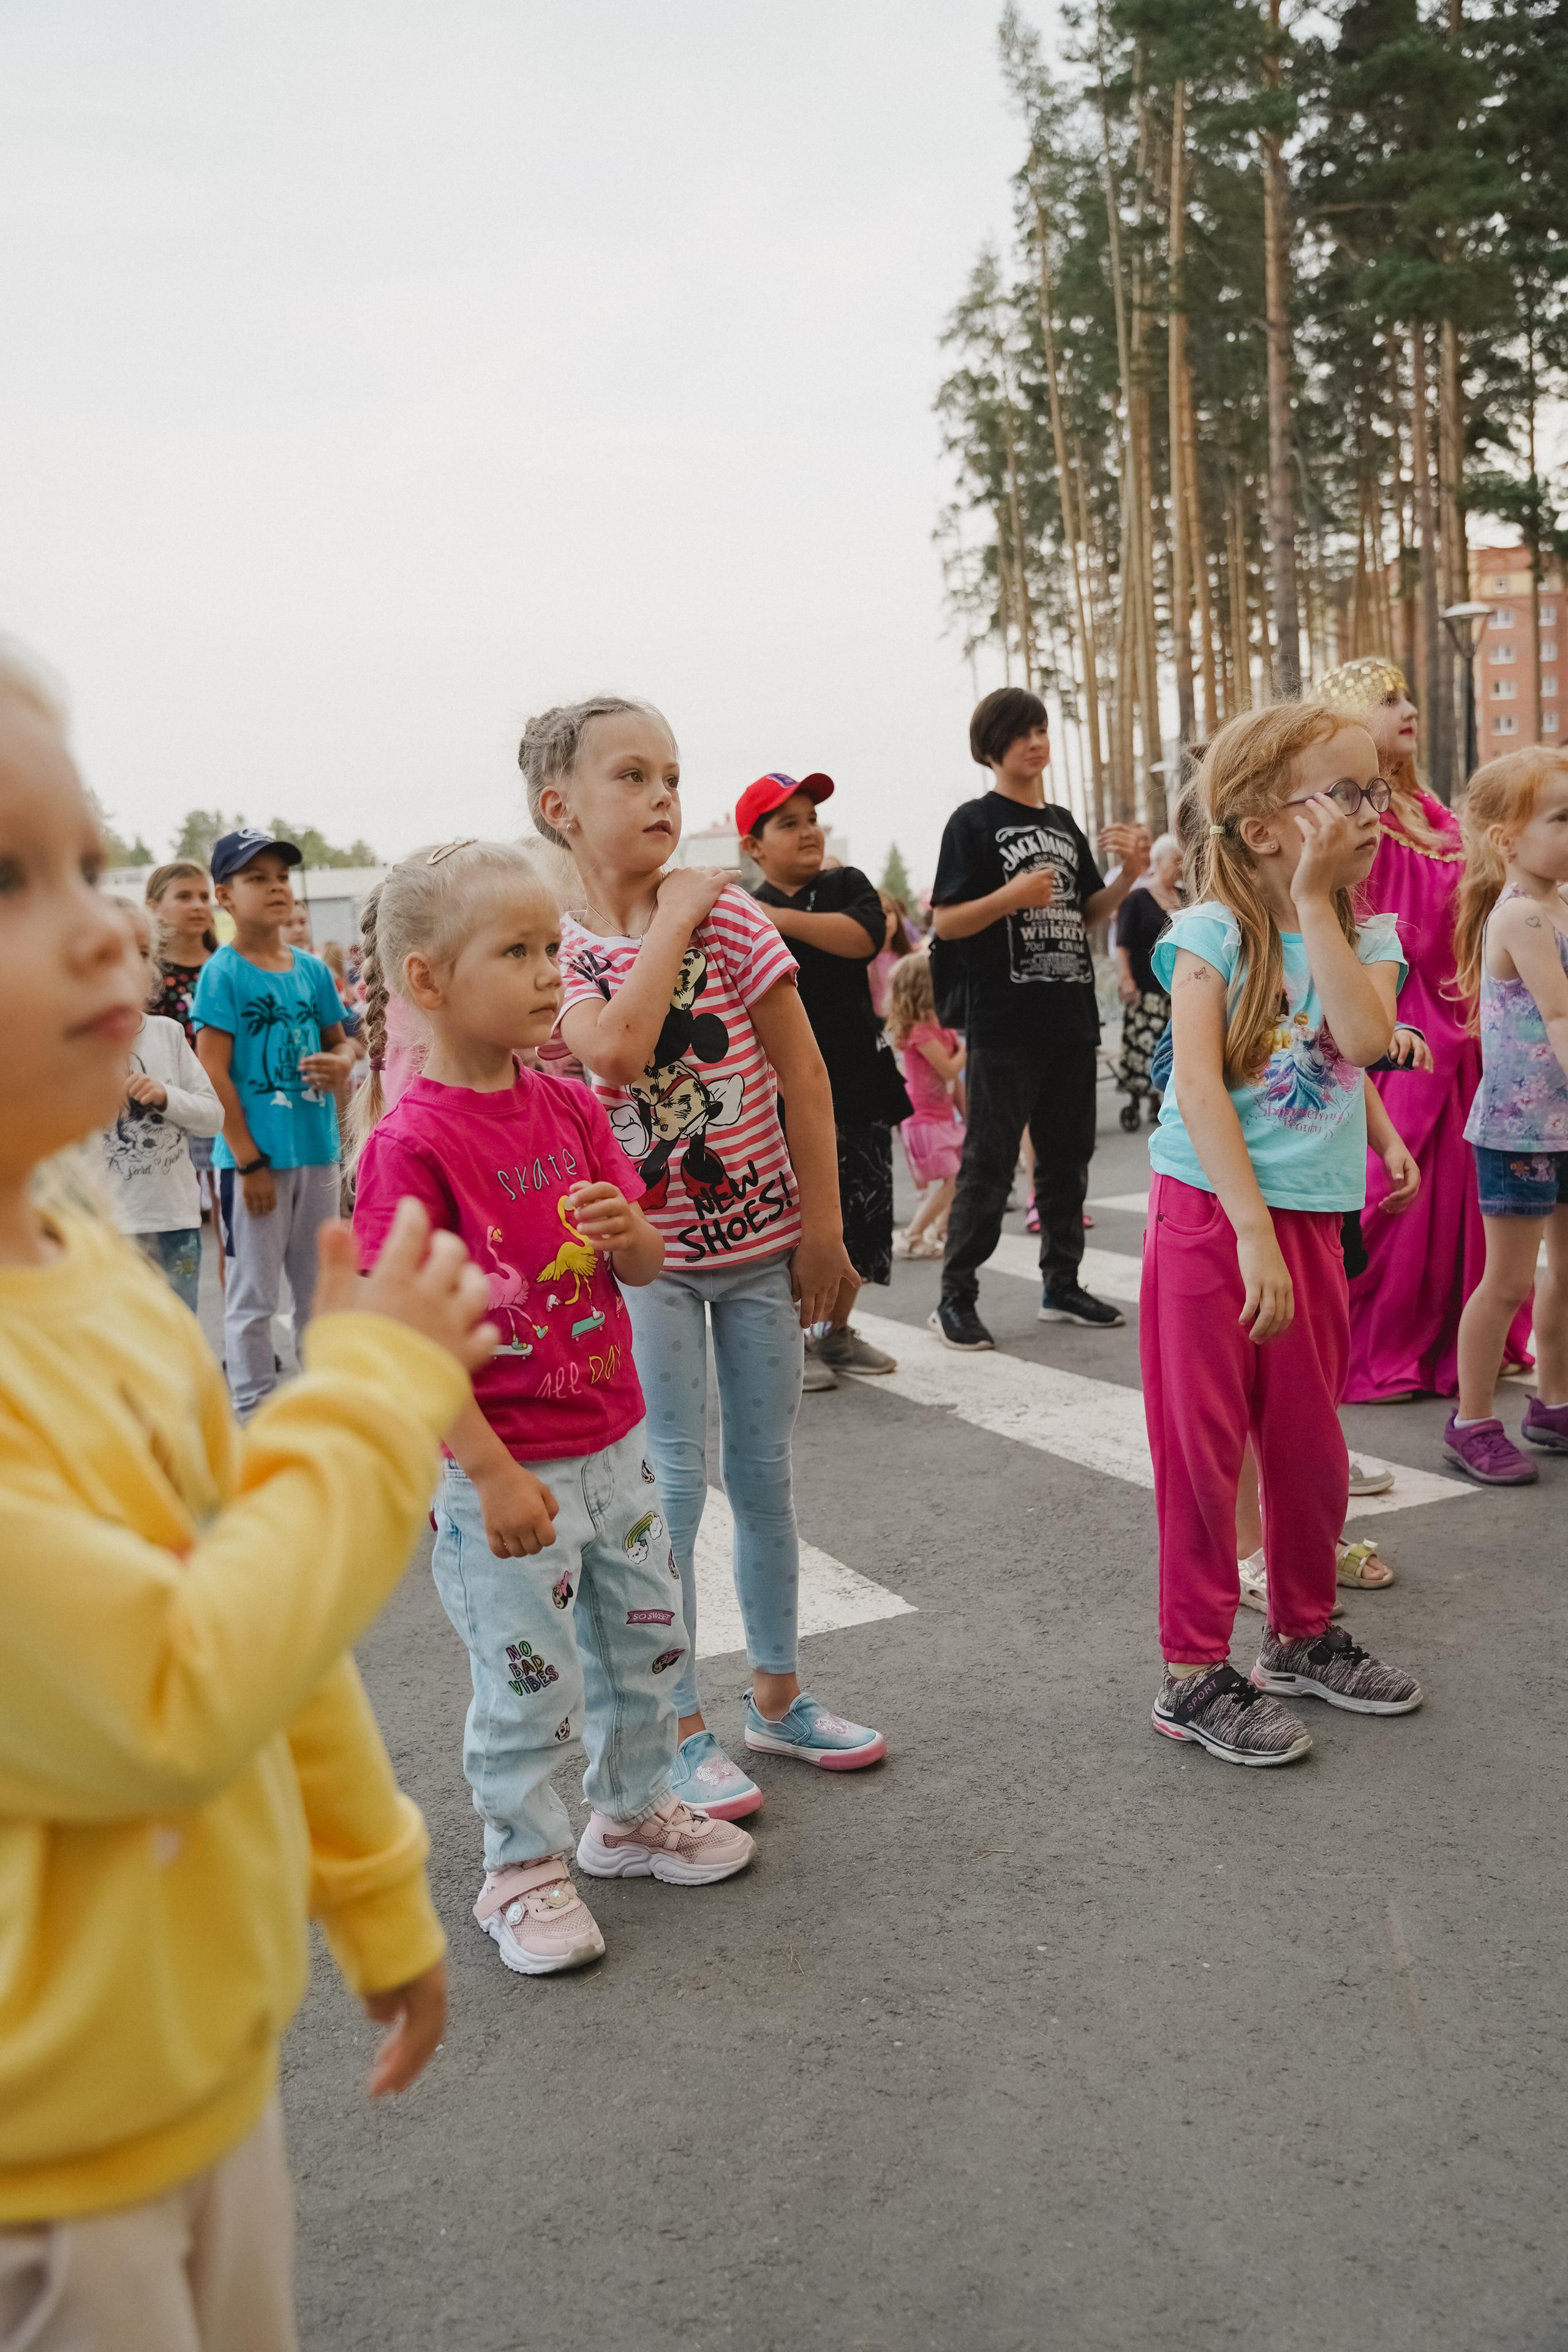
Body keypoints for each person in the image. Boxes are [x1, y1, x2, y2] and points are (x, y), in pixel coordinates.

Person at [0, 650, 497, 2351]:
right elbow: (174, 1684)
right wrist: (368, 1391)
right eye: (11, 882)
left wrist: (373, 1884)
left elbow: (268, 1621)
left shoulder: (88, 1280)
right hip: (42, 2189)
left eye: (86, 865)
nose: (107, 931)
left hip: (204, 2082)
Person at [350, 839, 754, 1977]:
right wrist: (484, 1472)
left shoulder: (570, 1109)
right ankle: (520, 1869)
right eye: (518, 951)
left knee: (647, 1644)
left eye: (552, 946)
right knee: (530, 1677)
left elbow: (640, 1262)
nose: (549, 973)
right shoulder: (412, 1144)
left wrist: (633, 1237)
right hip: (505, 1467)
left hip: (613, 1442)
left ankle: (629, 1815)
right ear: (427, 980)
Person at [526, 694, 886, 1823]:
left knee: (767, 1477)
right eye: (630, 777)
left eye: (671, 776)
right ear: (560, 808)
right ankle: (675, 1720)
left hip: (763, 1251)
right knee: (671, 1487)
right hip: (653, 1269)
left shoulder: (739, 925)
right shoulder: (564, 949)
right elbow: (620, 1056)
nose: (663, 798)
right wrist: (673, 915)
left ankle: (775, 1696)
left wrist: (824, 1229)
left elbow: (807, 1075)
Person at [1141, 699, 1423, 1767]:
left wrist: (1316, 905)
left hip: (1310, 1218)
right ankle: (1191, 1671)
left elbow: (1357, 1040)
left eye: (1375, 791)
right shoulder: (1205, 935)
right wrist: (1250, 1228)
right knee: (1204, 1452)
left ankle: (1302, 1637)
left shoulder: (1367, 934)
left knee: (1309, 1447)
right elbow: (1204, 1092)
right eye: (1345, 793)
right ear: (1263, 826)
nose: (1372, 811)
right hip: (1211, 1214)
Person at [1312, 657, 1534, 1400]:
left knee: (1470, 1203)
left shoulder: (1433, 809)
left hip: (1463, 1020)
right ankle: (1370, 1342)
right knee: (1397, 1194)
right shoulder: (1353, 817)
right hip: (1403, 1022)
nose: (1407, 707)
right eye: (1386, 699)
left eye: (1408, 693)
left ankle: (1458, 1336)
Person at [928, 686, 1149, 1351]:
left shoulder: (1060, 822)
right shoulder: (971, 822)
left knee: (1066, 1160)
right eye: (1021, 731)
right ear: (991, 746)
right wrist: (1011, 896)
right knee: (989, 1162)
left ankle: (1062, 1282)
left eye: (1041, 728)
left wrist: (1128, 873)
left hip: (1069, 1015)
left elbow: (1088, 914)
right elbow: (945, 920)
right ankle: (954, 1298)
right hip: (1003, 1020)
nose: (1035, 740)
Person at [743, 771, 910, 1391]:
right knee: (794, 1222)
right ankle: (793, 1340)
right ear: (754, 846)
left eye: (811, 819)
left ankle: (835, 1331)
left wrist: (775, 918)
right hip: (778, 1097)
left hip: (859, 1084)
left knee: (862, 1221)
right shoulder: (740, 912)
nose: (808, 831)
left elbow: (863, 937)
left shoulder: (846, 885)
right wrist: (762, 914)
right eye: (788, 823)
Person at [192, 832, 357, 1415]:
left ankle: (323, 1408)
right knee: (253, 1299)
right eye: (257, 878)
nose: (276, 887)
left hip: (316, 1154)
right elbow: (213, 1072)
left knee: (319, 1295)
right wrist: (249, 1160)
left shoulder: (312, 971)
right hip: (255, 1163)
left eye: (281, 877)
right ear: (226, 895)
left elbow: (346, 1047)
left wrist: (337, 1061)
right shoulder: (223, 974)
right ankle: (254, 1414)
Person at [1443, 748, 1568, 1483]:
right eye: (1560, 818)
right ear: (1505, 840)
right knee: (1508, 1282)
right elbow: (1558, 1013)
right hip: (1520, 1129)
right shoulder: (1521, 912)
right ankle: (1472, 1419)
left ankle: (1551, 1401)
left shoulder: (1558, 902)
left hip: (1562, 1123)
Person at [100, 900, 222, 1312]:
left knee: (179, 1337)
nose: (132, 965)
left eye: (143, 953)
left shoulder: (167, 1034)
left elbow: (211, 1118)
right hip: (106, 1232)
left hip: (174, 1224)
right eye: (115, 951)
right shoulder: (69, 1048)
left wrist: (166, 1096)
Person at [145, 857, 224, 1242]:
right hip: (167, 1109)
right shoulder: (149, 977)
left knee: (231, 1229)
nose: (198, 905)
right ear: (153, 908)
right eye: (184, 896)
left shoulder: (225, 968)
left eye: (204, 896)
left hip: (223, 1102)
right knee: (175, 1222)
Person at [886, 951, 965, 1257]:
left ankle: (940, 1230)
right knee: (952, 1178)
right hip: (924, 1119)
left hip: (944, 1117)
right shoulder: (918, 1031)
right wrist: (971, 1046)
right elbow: (948, 1069)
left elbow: (953, 1081)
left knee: (958, 1176)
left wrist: (965, 1111)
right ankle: (913, 1234)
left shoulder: (941, 1025)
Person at [1112, 831, 1183, 1130]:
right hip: (1148, 987)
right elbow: (1122, 943)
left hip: (1181, 988)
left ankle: (1171, 1096)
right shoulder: (1138, 898)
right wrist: (1126, 979)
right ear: (1156, 861)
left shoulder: (1186, 895)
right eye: (1174, 860)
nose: (1180, 866)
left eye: (1182, 860)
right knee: (1149, 1045)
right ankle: (1150, 1099)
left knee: (1179, 1045)